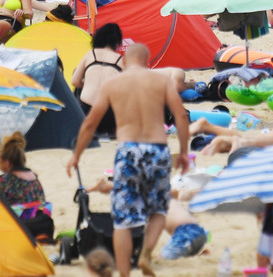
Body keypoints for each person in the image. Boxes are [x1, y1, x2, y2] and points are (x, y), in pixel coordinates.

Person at [66, 43, 190, 277]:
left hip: (128, 150)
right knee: (158, 210)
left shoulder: (113, 83)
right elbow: (181, 116)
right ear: (147, 60)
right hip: (157, 149)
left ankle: (124, 273)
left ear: (125, 60)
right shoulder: (161, 81)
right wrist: (184, 151)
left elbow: (91, 123)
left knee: (123, 220)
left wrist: (76, 155)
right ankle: (146, 251)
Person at [69, 23, 125, 135]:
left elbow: (74, 81)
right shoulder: (121, 60)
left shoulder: (91, 54)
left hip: (87, 111)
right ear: (117, 42)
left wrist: (88, 84)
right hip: (108, 114)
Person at [0, 131, 46, 206]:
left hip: (14, 217)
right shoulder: (35, 181)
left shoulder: (4, 182)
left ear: (7, 163)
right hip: (37, 217)